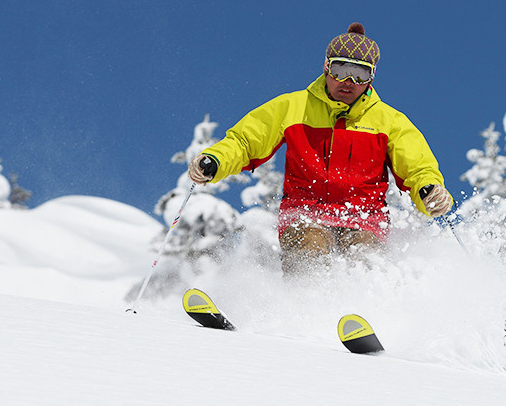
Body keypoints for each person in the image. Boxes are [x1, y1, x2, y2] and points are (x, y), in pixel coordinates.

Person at [188, 23, 452, 276]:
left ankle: (361, 315)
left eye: (359, 74)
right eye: (340, 70)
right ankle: (304, 311)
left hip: (362, 217)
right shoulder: (292, 106)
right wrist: (216, 159)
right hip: (305, 212)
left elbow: (417, 166)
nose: (348, 81)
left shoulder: (390, 121)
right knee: (309, 250)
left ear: (371, 78)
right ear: (326, 66)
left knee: (363, 260)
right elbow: (246, 141)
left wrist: (429, 188)